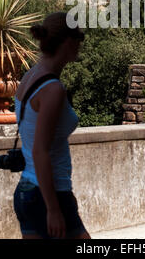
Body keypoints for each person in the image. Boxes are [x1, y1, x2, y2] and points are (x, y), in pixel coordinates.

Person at [13, 12, 91, 239]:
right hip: (49, 194)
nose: (79, 45)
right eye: (78, 39)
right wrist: (54, 210)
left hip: (27, 190)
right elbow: (40, 151)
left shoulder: (30, 76)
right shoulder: (53, 89)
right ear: (68, 41)